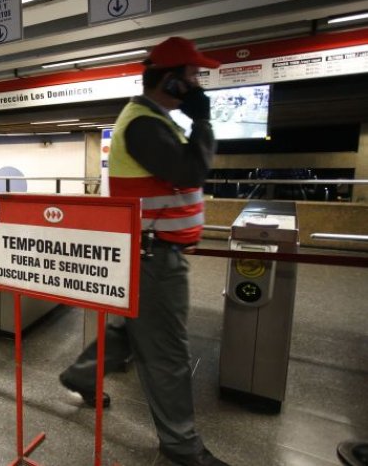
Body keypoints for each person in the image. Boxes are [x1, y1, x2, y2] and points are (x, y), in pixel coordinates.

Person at [58, 37, 229, 466]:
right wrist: (204, 123)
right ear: (170, 81)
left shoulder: (155, 120)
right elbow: (192, 169)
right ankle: (181, 447)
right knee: (167, 351)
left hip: (149, 252)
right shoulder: (143, 125)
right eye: (192, 75)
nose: (197, 83)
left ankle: (80, 374)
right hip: (155, 257)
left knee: (133, 332)